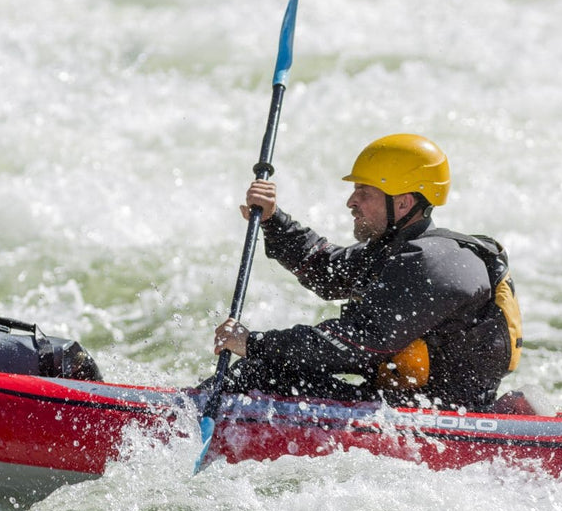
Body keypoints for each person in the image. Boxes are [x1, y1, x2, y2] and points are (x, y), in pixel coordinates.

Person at [212, 133, 521, 409]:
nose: (351, 202)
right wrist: (273, 219)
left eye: (364, 192)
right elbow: (325, 269)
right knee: (268, 370)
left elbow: (359, 343)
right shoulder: (396, 250)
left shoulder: (435, 264)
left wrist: (254, 343)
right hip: (400, 406)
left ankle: (183, 419)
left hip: (435, 419)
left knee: (260, 372)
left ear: (402, 203)